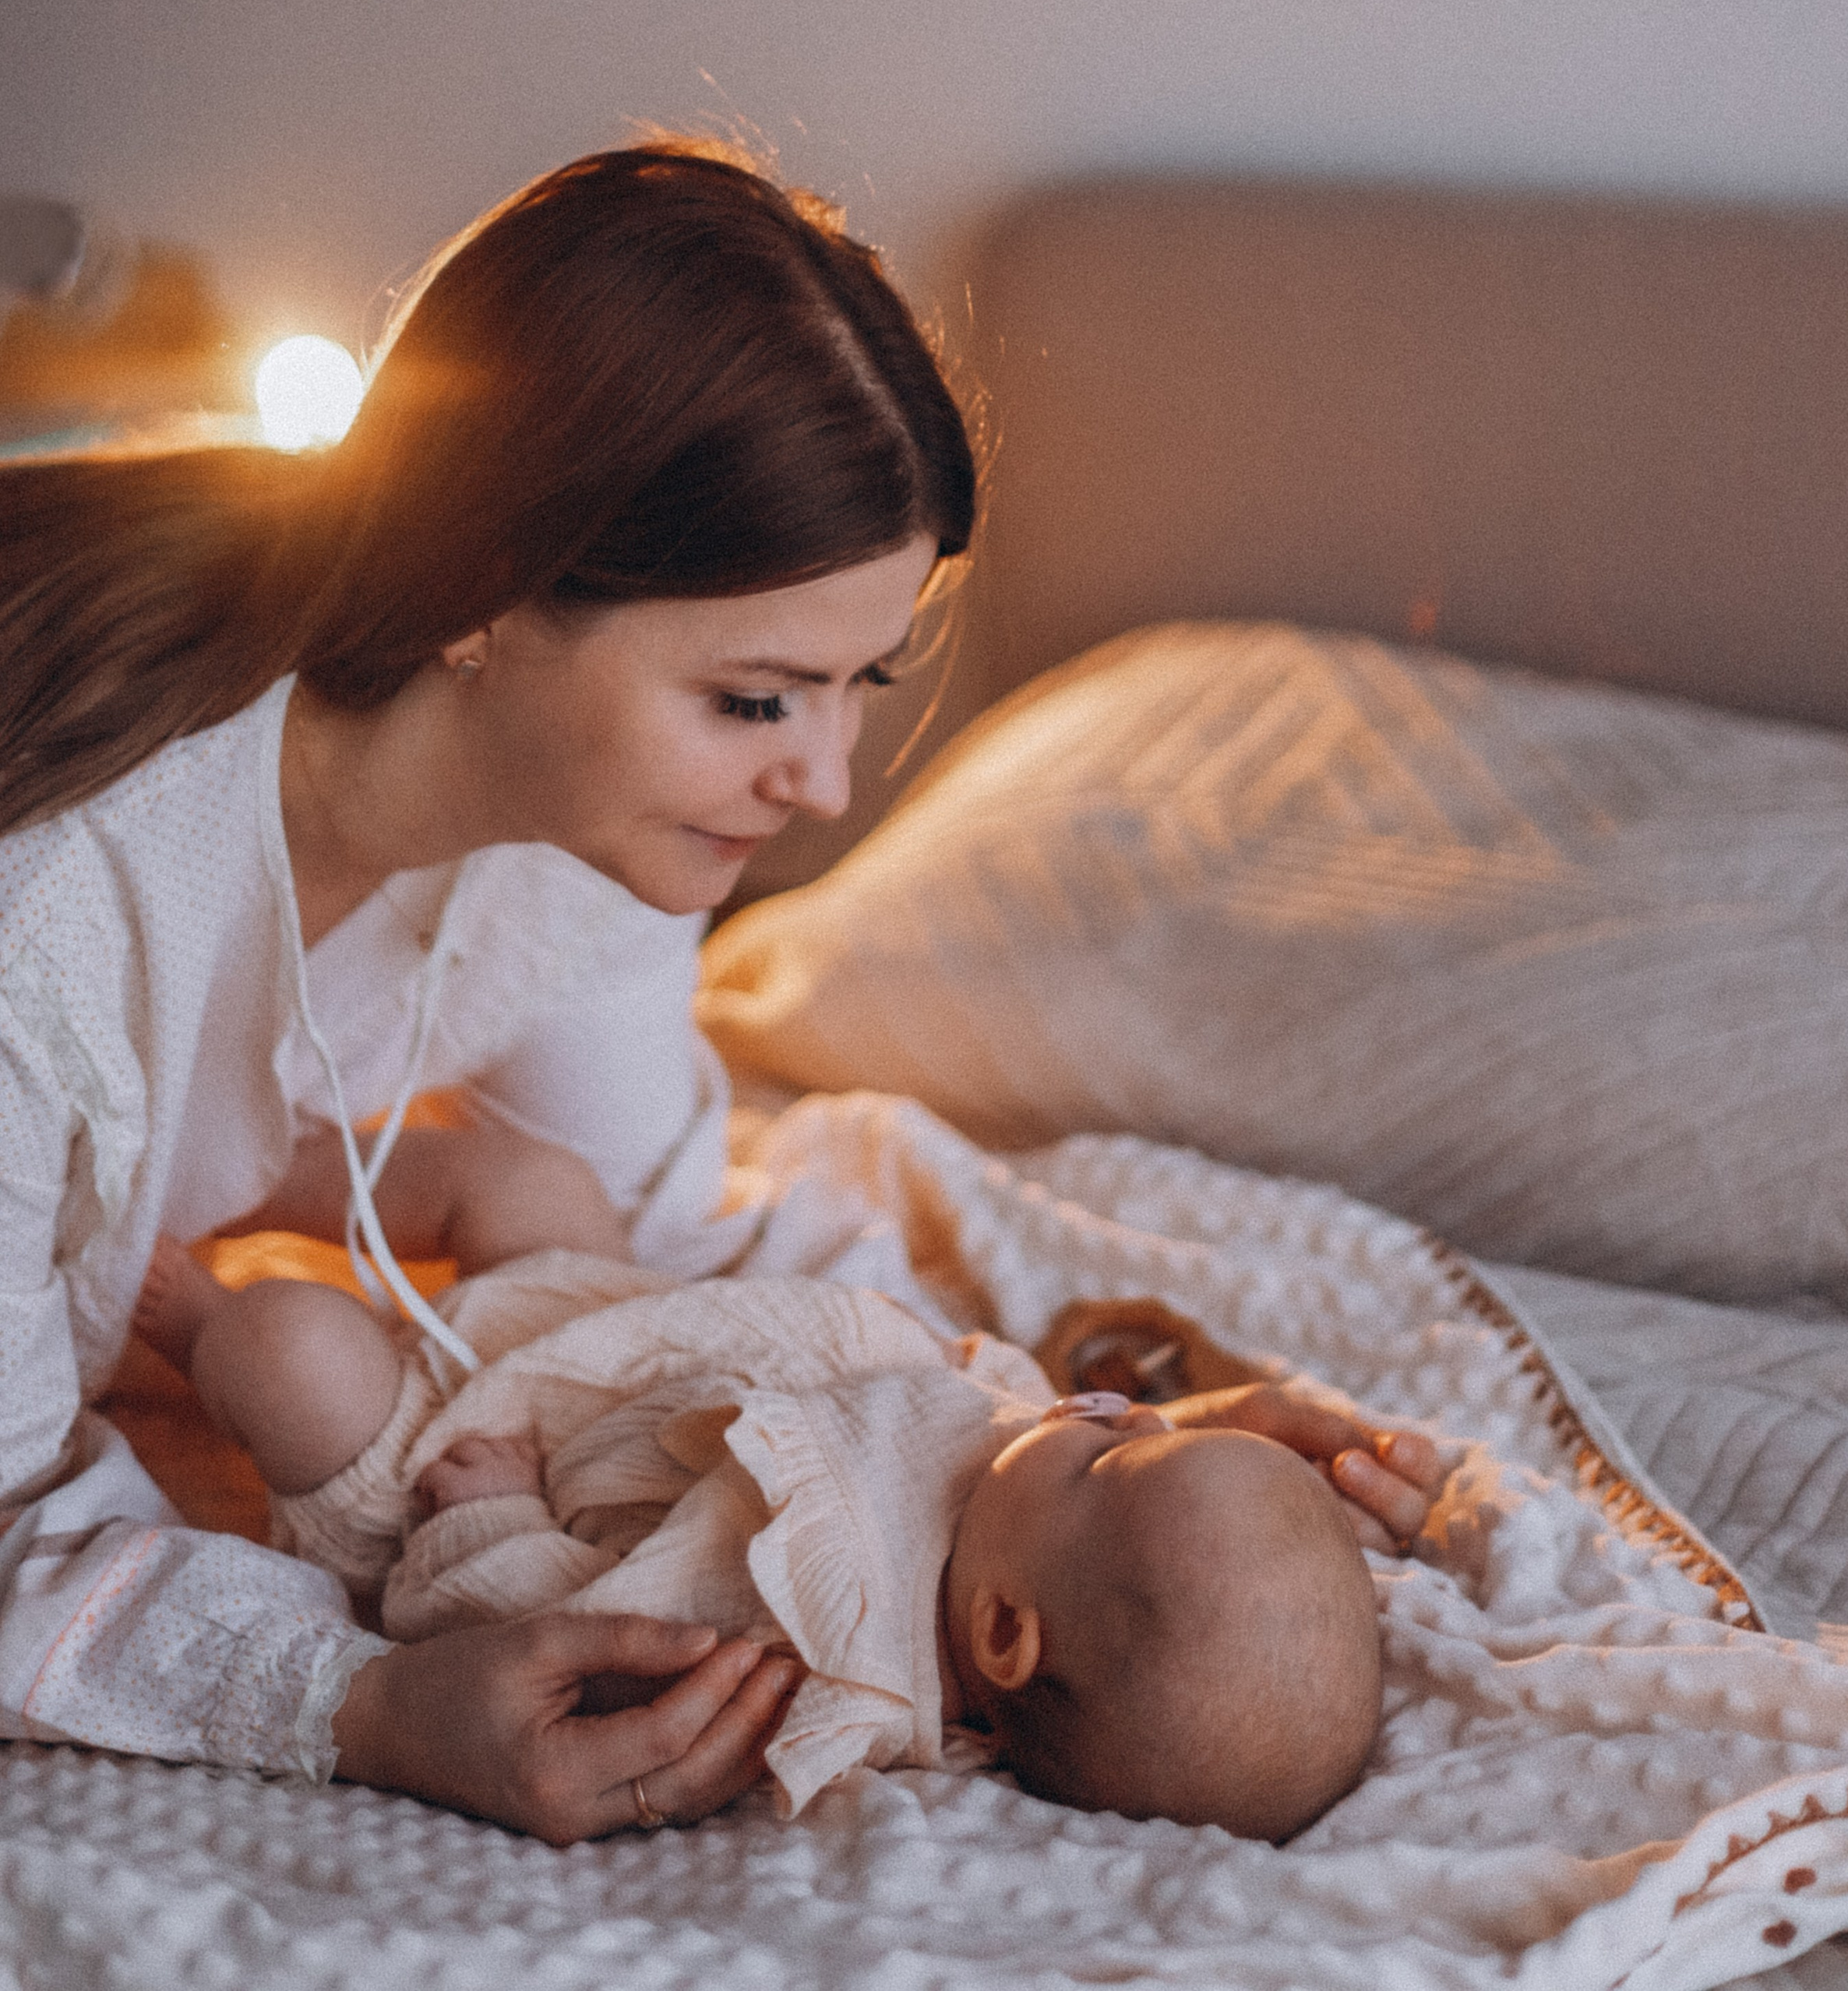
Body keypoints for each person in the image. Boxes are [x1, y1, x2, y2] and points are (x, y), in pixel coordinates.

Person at [0, 138, 1439, 1841]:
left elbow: (663, 1263)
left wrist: (1077, 1467)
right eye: (757, 698)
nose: (824, 783)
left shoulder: (568, 832)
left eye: (857, 686)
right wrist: (359, 1697)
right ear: (482, 596)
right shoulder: (54, 923)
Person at [137, 1126, 1392, 1841]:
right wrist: (1172, 1430)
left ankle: (171, 1299)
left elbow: (575, 1650)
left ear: (1005, 1632)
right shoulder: (1016, 1501)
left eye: (1112, 1448)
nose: (1094, 1409)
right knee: (530, 1179)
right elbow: (986, 1389)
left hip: (449, 1471)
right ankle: (245, 1154)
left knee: (287, 1349)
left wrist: (488, 1519)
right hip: (608, 1344)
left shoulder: (821, 1646)